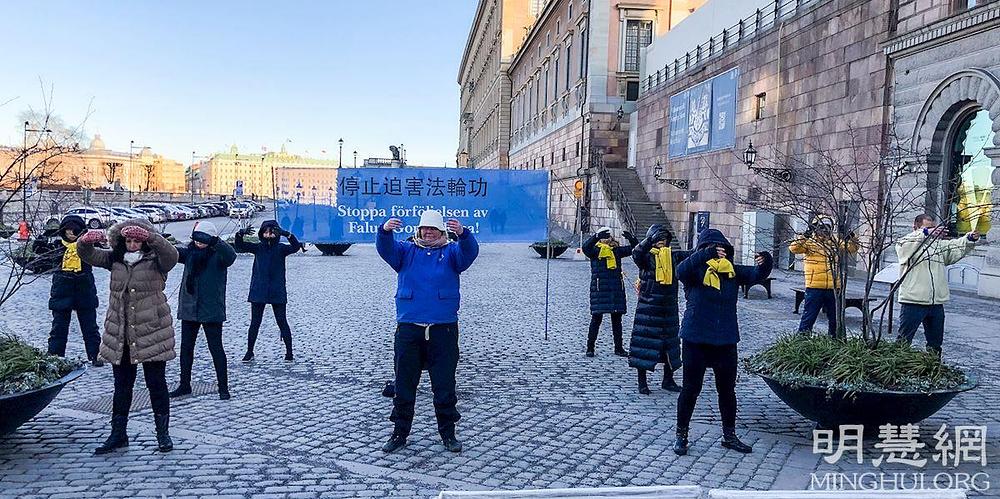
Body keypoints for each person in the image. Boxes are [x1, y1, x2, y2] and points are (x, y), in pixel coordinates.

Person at [376, 209, 479, 454]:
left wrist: (464, 235)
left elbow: (469, 253)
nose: (429, 233)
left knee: (444, 385)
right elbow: (386, 250)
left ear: (442, 232)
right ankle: (400, 433)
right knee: (404, 384)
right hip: (409, 328)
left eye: (433, 229)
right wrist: (384, 231)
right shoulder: (405, 250)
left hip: (442, 329)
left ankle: (448, 433)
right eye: (425, 229)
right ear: (419, 230)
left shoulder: (452, 252)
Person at [77, 219, 179, 454]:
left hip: (152, 331)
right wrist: (84, 242)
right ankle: (118, 434)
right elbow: (89, 255)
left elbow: (172, 255)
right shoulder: (114, 259)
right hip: (121, 332)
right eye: (129, 241)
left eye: (137, 241)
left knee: (157, 385)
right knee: (122, 386)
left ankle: (162, 433)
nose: (133, 245)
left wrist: (151, 237)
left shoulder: (156, 260)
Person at [673, 228, 771, 456]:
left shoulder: (732, 272)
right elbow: (680, 271)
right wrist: (704, 254)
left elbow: (757, 274)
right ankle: (682, 434)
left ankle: (729, 435)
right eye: (715, 249)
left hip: (725, 340)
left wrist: (766, 261)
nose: (720, 253)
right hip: (695, 339)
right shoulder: (695, 271)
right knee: (690, 389)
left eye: (722, 249)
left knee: (727, 390)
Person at [169, 221, 237, 400]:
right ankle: (184, 384)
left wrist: (215, 242)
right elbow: (171, 253)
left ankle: (223, 387)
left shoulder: (219, 255)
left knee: (216, 349)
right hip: (189, 308)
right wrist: (158, 240)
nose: (198, 243)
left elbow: (231, 256)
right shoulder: (189, 253)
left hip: (211, 309)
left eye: (202, 240)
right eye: (196, 239)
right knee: (186, 349)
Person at [895, 214, 979, 355]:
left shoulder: (937, 245)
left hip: (936, 303)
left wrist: (969, 239)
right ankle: (896, 368)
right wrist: (926, 233)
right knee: (904, 340)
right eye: (927, 228)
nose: (932, 231)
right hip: (913, 301)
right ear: (915, 227)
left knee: (935, 344)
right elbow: (904, 244)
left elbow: (953, 246)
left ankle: (933, 367)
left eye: (933, 227)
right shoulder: (906, 243)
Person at [32, 215, 102, 366]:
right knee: (59, 327)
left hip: (84, 290)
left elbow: (101, 252)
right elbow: (38, 250)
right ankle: (55, 356)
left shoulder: (86, 246)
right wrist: (44, 236)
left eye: (74, 231)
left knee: (90, 326)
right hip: (62, 290)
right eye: (68, 231)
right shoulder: (58, 246)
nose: (71, 234)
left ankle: (95, 355)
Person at [629, 224, 690, 395]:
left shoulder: (673, 256)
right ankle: (642, 382)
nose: (662, 242)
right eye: (659, 239)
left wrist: (707, 248)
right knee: (644, 346)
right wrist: (650, 239)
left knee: (670, 347)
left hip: (668, 308)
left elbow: (691, 256)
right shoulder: (646, 258)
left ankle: (668, 380)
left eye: (664, 239)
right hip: (648, 308)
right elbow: (636, 253)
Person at [234, 220, 302, 362]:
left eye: (271, 232)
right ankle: (249, 351)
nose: (268, 235)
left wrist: (287, 234)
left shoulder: (281, 249)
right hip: (259, 290)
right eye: (265, 232)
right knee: (255, 323)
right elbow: (240, 246)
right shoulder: (258, 248)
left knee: (282, 321)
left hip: (277, 289)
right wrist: (240, 234)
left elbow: (296, 247)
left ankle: (289, 352)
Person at [788, 218, 858, 337]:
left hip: (834, 287)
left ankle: (835, 340)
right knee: (809, 317)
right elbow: (793, 248)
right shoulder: (809, 242)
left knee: (835, 318)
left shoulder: (834, 242)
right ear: (816, 228)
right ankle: (802, 340)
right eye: (822, 227)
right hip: (814, 287)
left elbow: (852, 248)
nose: (825, 230)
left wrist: (850, 235)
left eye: (828, 227)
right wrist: (804, 236)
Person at [581, 227, 638, 357]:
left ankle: (619, 348)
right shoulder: (595, 251)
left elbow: (635, 249)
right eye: (603, 236)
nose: (606, 239)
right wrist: (595, 236)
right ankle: (590, 348)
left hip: (615, 289)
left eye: (608, 236)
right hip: (600, 289)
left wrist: (632, 239)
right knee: (596, 319)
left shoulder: (616, 251)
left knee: (617, 321)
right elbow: (585, 248)